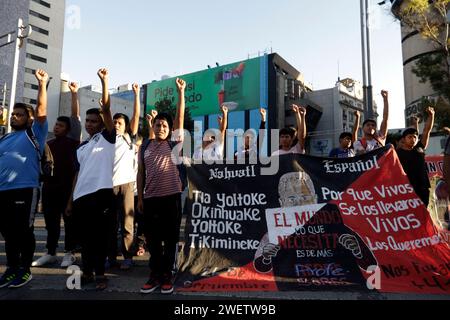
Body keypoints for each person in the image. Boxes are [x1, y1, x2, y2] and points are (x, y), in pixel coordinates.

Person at [65, 68, 115, 291]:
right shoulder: (82, 147)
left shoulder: (108, 139)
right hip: (80, 197)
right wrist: (70, 200)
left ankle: (101, 274)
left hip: (102, 194)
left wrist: (104, 81)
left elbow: (105, 107)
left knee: (99, 237)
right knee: (84, 238)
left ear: (102, 124)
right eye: (88, 121)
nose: (89, 124)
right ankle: (86, 272)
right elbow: (77, 175)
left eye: (94, 121)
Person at [0, 70, 49, 288]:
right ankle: (11, 269)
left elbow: (41, 111)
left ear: (29, 119)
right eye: (13, 114)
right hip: (3, 191)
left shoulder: (34, 133)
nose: (14, 117)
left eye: (19, 114)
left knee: (23, 231)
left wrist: (41, 84)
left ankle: (25, 270)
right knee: (8, 233)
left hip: (26, 189)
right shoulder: (5, 138)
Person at [137, 78, 186, 295]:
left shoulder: (174, 144)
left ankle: (167, 275)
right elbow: (141, 173)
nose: (161, 128)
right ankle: (154, 274)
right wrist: (140, 198)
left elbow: (180, 116)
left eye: (165, 125)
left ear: (170, 129)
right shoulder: (145, 146)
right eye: (158, 125)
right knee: (154, 240)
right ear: (153, 126)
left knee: (171, 238)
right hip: (150, 199)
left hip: (172, 198)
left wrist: (180, 92)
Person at [32, 81, 82, 268]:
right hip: (50, 190)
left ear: (68, 129)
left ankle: (69, 253)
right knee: (50, 223)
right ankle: (50, 252)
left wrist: (74, 93)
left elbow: (75, 117)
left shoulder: (73, 140)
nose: (57, 127)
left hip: (68, 189)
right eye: (56, 124)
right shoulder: (49, 143)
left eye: (61, 125)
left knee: (70, 223)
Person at [106, 83, 140, 271]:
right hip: (108, 186)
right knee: (109, 225)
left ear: (126, 126)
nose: (117, 124)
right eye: (115, 122)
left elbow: (135, 116)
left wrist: (136, 94)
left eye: (120, 122)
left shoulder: (129, 139)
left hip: (126, 185)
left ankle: (127, 256)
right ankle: (110, 257)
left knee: (127, 224)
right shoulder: (108, 139)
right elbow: (105, 110)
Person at [396, 107, 435, 207]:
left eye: (415, 137)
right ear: (403, 139)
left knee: (423, 213)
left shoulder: (420, 148)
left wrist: (431, 115)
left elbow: (426, 130)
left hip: (423, 187)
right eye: (410, 137)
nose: (413, 139)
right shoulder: (397, 153)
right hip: (406, 188)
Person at [354, 90, 390, 155]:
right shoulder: (358, 143)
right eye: (368, 125)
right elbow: (363, 156)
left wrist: (385, 99)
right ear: (363, 128)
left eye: (373, 125)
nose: (371, 127)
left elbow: (385, 118)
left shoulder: (381, 138)